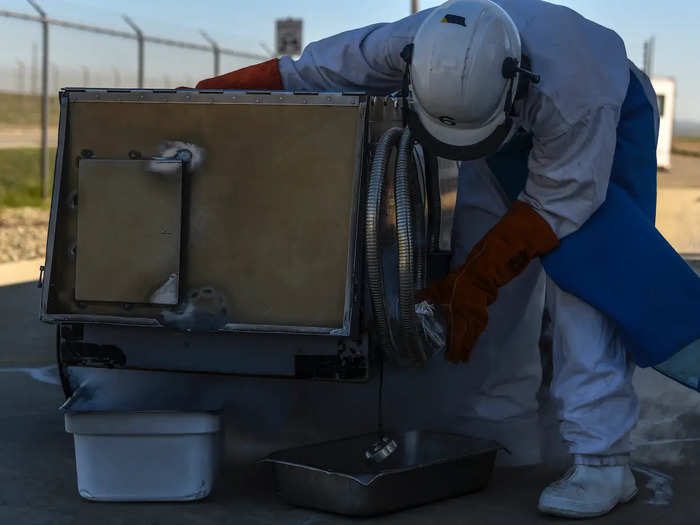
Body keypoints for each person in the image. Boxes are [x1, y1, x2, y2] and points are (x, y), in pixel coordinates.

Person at [195, 0, 700, 518]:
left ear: (515, 81)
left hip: (604, 131)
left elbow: (558, 204)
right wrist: (203, 100)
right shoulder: (413, 43)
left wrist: (480, 276)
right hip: (496, 135)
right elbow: (312, 69)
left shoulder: (579, 94)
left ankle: (603, 462)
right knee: (480, 293)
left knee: (586, 287)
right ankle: (500, 433)